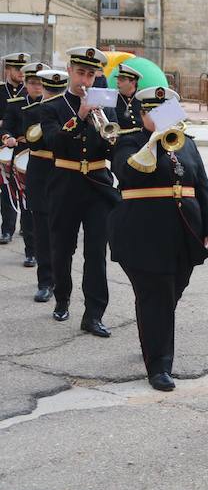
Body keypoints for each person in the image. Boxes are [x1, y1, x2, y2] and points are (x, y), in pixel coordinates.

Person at [109, 86, 208, 392]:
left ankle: (151, 336)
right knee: (156, 296)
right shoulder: (127, 141)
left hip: (184, 231)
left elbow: (201, 184)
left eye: (167, 113)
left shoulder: (186, 143)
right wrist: (153, 143)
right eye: (154, 114)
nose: (163, 120)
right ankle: (159, 366)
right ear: (142, 114)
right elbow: (127, 175)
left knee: (170, 293)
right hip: (142, 232)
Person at [40, 47, 119, 336]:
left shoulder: (105, 107)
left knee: (96, 252)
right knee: (62, 248)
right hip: (65, 184)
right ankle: (62, 298)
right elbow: (53, 142)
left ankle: (94, 314)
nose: (85, 79)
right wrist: (78, 118)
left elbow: (113, 146)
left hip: (98, 186)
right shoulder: (52, 107)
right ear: (70, 71)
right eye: (81, 72)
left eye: (91, 73)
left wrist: (106, 134)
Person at [0, 62, 50, 276]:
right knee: (28, 208)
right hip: (23, 156)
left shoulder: (53, 104)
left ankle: (49, 250)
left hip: (48, 159)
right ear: (27, 84)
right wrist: (8, 138)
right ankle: (31, 251)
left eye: (40, 83)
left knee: (49, 208)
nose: (36, 87)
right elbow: (7, 128)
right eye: (32, 83)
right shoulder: (16, 104)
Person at [22, 67, 64, 302]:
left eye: (58, 90)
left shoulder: (73, 110)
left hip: (63, 172)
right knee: (42, 230)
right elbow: (35, 142)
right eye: (50, 90)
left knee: (61, 232)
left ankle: (62, 280)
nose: (52, 93)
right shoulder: (31, 112)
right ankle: (45, 281)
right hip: (40, 173)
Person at [0, 51, 28, 244]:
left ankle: (27, 228)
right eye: (17, 69)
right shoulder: (1, 91)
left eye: (23, 69)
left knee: (25, 189)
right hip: (3, 145)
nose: (21, 73)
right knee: (6, 188)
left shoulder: (29, 92)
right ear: (8, 69)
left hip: (23, 146)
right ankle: (7, 229)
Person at [113, 63, 143, 130]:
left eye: (122, 80)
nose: (118, 82)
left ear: (133, 82)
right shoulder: (113, 98)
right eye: (118, 79)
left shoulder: (142, 97)